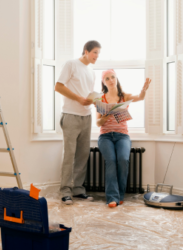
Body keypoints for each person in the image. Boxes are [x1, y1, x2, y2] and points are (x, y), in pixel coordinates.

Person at [55, 40, 101, 205]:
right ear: (86, 51)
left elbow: (87, 94)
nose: (97, 56)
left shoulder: (91, 72)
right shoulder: (71, 64)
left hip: (86, 116)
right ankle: (65, 191)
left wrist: (93, 100)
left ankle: (78, 190)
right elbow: (58, 87)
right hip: (71, 115)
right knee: (69, 155)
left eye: (98, 53)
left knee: (83, 154)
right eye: (95, 52)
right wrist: (79, 99)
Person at [96, 69, 151, 208]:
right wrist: (104, 117)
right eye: (107, 78)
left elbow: (140, 97)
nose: (111, 80)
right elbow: (97, 123)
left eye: (112, 77)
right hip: (105, 136)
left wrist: (143, 90)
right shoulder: (100, 99)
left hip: (122, 136)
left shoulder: (124, 96)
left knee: (123, 160)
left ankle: (120, 195)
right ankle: (112, 198)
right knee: (111, 161)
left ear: (116, 79)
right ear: (104, 82)